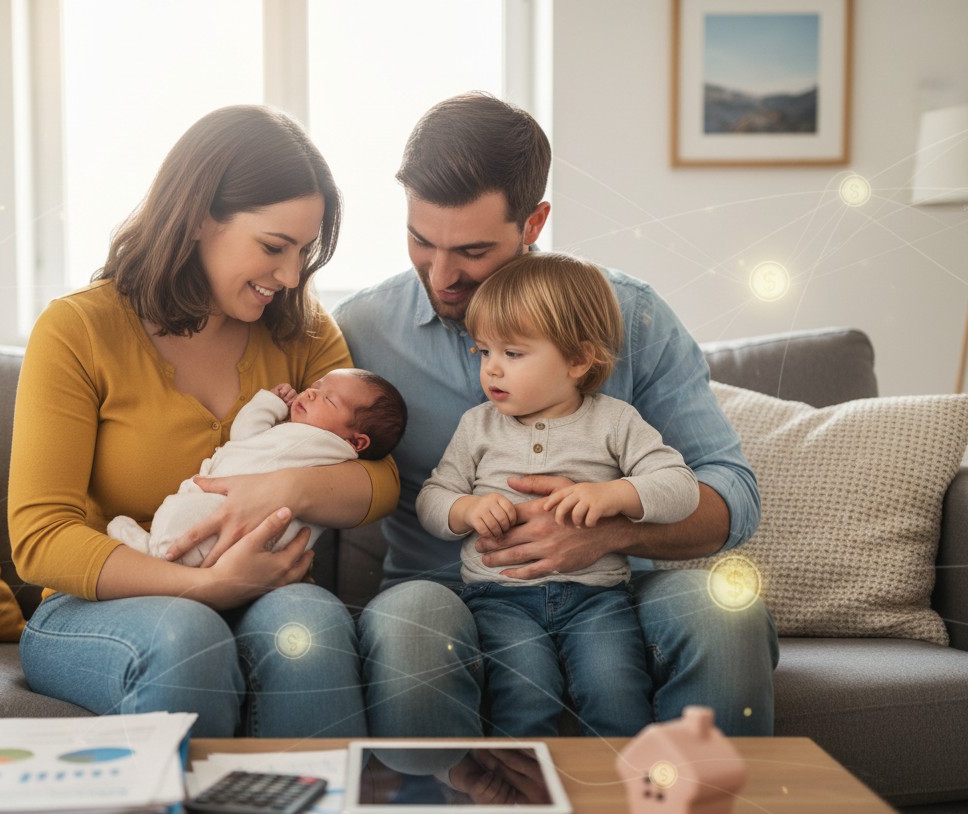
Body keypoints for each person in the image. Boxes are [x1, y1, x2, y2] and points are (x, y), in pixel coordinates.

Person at [333, 91, 778, 738]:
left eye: (474, 251)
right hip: (447, 589)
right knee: (411, 631)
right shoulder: (361, 332)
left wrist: (613, 530)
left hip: (612, 589)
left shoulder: (631, 317)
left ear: (533, 223)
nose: (442, 274)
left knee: (725, 613)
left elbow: (733, 496)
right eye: (420, 241)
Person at [9, 104, 400, 739]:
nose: (292, 274)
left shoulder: (301, 330)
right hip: (98, 607)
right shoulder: (78, 330)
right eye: (274, 247)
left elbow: (378, 481)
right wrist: (207, 587)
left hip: (262, 593)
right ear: (196, 218)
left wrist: (283, 490)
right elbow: (39, 537)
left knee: (315, 630)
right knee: (186, 635)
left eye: (304, 250)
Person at [416, 252, 699, 737]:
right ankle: (529, 797)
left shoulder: (614, 421)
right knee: (526, 692)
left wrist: (615, 496)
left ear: (577, 359)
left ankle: (618, 799)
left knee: (614, 690)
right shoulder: (477, 426)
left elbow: (682, 488)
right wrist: (467, 508)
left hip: (597, 599)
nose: (493, 371)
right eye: (485, 352)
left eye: (513, 353)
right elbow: (432, 498)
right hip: (498, 598)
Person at [107, 368, 407, 564]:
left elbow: (245, 434)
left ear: (357, 443)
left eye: (327, 399)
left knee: (178, 512)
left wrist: (271, 403)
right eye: (316, 386)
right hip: (266, 552)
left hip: (216, 517)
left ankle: (155, 552)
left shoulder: (304, 440)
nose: (311, 393)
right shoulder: (333, 456)